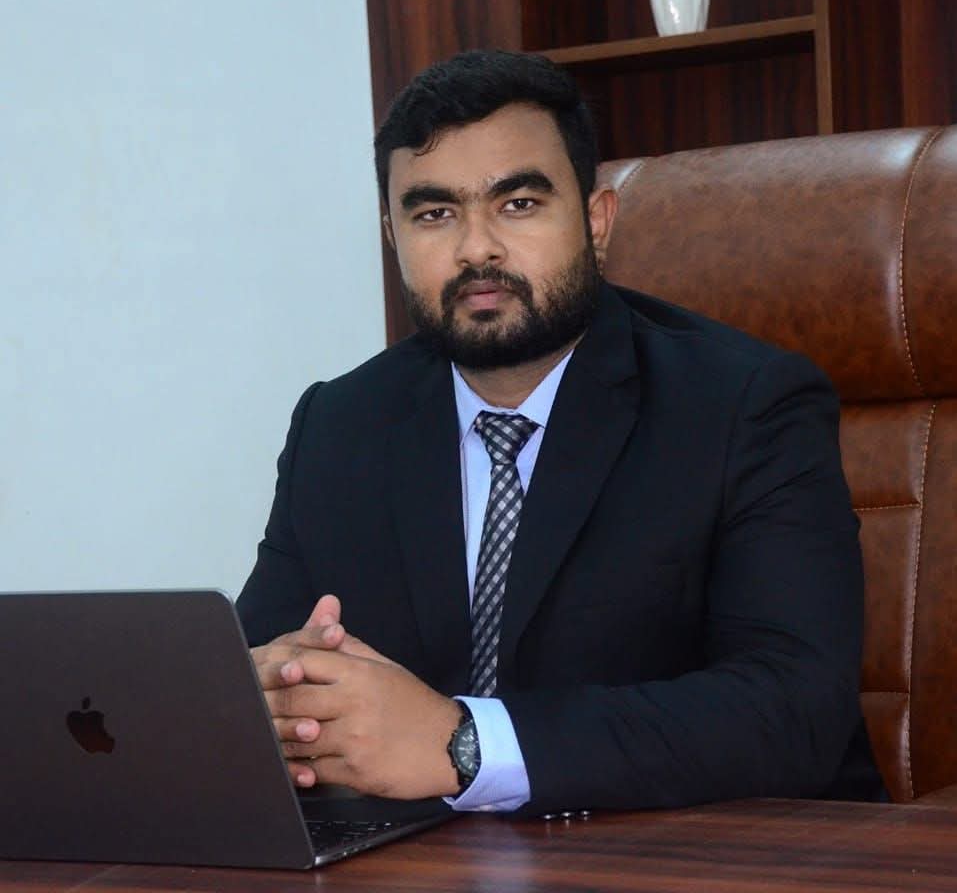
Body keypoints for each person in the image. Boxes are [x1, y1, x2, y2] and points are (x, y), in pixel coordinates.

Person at [237, 50, 883, 816]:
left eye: (517, 204)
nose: (476, 248)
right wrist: (276, 695)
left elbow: (792, 710)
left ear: (596, 221)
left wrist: (464, 744)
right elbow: (255, 677)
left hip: (694, 851)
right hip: (426, 857)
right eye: (433, 213)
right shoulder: (339, 424)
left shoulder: (745, 406)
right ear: (392, 234)